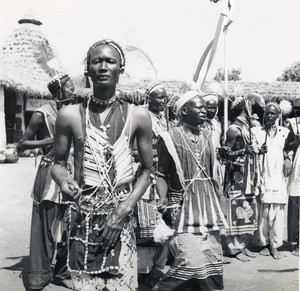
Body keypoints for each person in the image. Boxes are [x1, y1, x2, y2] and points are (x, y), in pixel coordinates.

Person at [50, 39, 153, 291]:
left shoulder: (138, 115)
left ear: (121, 69)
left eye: (110, 61)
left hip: (121, 218)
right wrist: (64, 181)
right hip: (82, 218)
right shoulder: (70, 115)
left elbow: (149, 171)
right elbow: (57, 164)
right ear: (88, 69)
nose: (103, 66)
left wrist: (123, 210)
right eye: (97, 61)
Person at [154, 90, 227, 291]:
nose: (205, 110)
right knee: (190, 259)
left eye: (205, 107)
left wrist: (221, 200)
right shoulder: (169, 138)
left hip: (209, 205)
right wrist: (162, 198)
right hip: (183, 204)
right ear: (184, 110)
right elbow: (161, 174)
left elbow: (214, 176)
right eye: (200, 107)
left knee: (210, 256)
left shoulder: (211, 136)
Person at [17, 73, 75, 290]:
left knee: (71, 222)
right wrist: (51, 140)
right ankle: (39, 275)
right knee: (46, 224)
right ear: (60, 90)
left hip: (71, 173)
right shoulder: (42, 114)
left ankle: (62, 269)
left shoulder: (71, 112)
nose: (73, 91)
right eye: (70, 88)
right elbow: (22, 144)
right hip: (49, 173)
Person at [134, 83, 169, 288]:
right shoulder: (142, 118)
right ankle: (142, 273)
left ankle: (157, 269)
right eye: (159, 97)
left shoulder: (164, 120)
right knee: (146, 229)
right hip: (146, 178)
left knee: (164, 224)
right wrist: (155, 156)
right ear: (150, 99)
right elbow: (133, 150)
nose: (164, 101)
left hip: (163, 178)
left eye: (165, 97)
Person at [218, 96, 262, 262]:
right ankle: (232, 248)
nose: (253, 109)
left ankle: (242, 246)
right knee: (235, 209)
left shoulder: (247, 127)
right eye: (250, 106)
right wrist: (243, 152)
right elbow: (223, 154)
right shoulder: (234, 129)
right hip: (237, 175)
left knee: (246, 209)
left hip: (248, 175)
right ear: (245, 108)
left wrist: (258, 150)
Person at [252, 102, 292, 259]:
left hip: (278, 176)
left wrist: (288, 159)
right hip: (263, 176)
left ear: (278, 116)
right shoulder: (256, 132)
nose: (269, 116)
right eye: (267, 113)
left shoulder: (285, 132)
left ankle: (275, 245)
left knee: (277, 212)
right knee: (264, 212)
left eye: (272, 114)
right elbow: (252, 149)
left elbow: (288, 150)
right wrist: (257, 151)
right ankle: (264, 243)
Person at [286, 98, 300, 256]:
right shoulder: (293, 124)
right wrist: (295, 144)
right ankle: (295, 243)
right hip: (297, 171)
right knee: (296, 206)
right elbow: (285, 147)